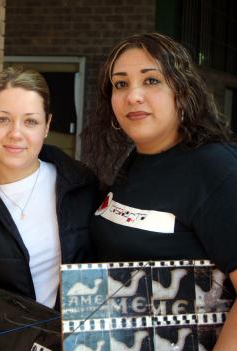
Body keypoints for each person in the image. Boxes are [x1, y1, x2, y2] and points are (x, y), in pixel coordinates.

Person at [83, 32, 237, 350]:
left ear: (181, 90)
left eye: (151, 81)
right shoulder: (134, 160)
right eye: (120, 84)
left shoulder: (216, 168)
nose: (133, 96)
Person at [0, 66, 100, 350]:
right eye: (3, 119)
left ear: (47, 125)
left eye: (30, 122)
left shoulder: (81, 187)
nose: (16, 133)